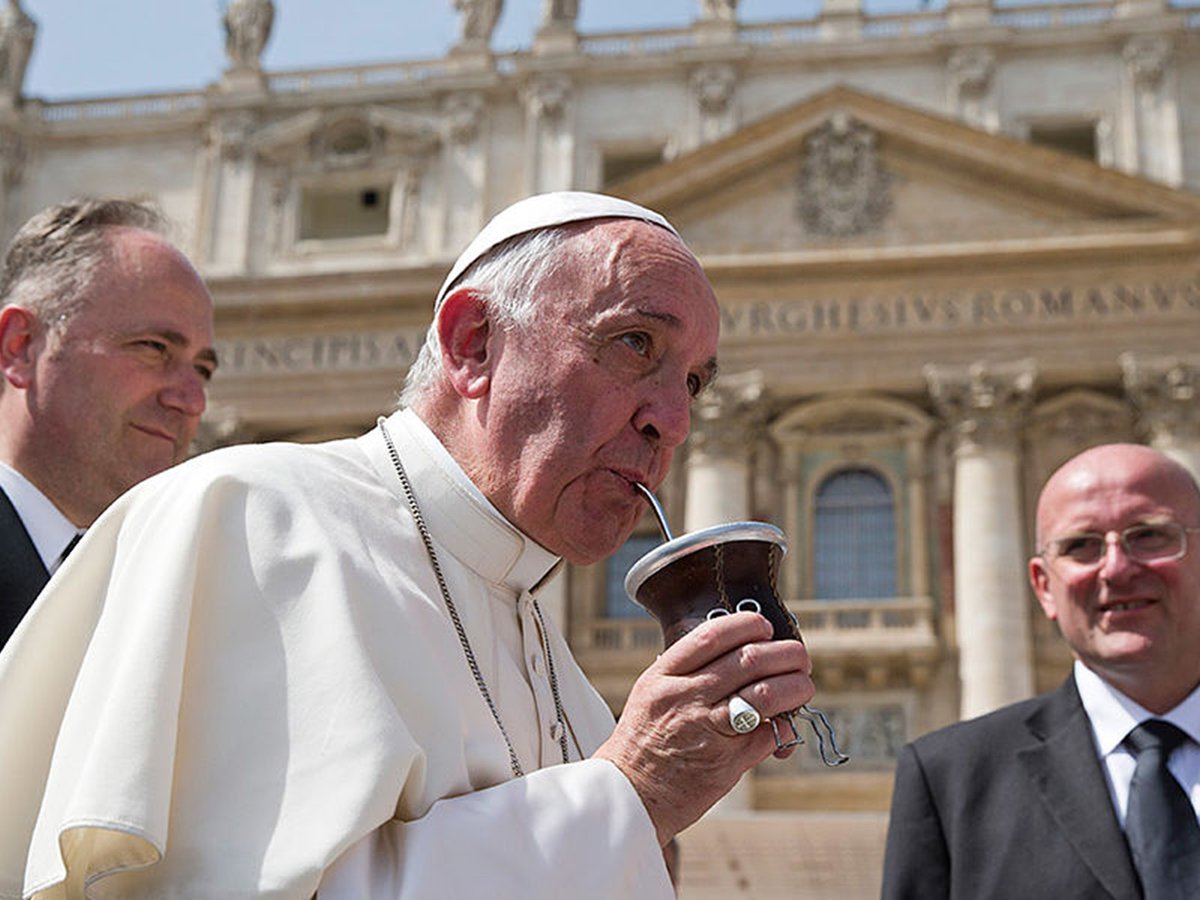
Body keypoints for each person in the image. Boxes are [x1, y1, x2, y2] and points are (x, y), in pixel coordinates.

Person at [0, 191, 815, 898]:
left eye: (695, 383)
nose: (671, 421)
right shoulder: (250, 522)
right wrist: (632, 793)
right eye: (636, 344)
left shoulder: (562, 677)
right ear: (472, 344)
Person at [882, 443, 1200, 899]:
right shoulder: (950, 781)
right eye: (1081, 546)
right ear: (1044, 586)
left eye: (1149, 535)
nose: (1116, 568)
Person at [0, 198, 217, 649]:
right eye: (154, 348)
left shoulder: (182, 599)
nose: (192, 400)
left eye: (202, 370)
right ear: (19, 346)